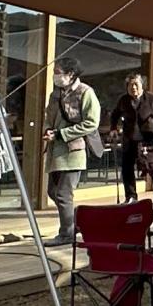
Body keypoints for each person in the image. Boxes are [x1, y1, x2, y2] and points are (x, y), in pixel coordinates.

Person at [43, 56, 102, 246]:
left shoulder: (86, 93)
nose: (55, 76)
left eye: (58, 73)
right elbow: (48, 117)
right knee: (52, 191)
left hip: (74, 149)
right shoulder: (56, 94)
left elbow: (91, 123)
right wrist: (47, 130)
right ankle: (78, 223)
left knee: (63, 193)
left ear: (70, 74)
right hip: (55, 150)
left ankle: (66, 233)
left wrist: (62, 134)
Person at [106, 72, 153, 203]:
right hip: (130, 139)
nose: (133, 88)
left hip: (150, 141)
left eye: (136, 85)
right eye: (130, 85)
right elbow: (114, 115)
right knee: (127, 169)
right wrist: (113, 128)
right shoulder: (124, 100)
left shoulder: (152, 99)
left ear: (142, 86)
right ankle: (131, 197)